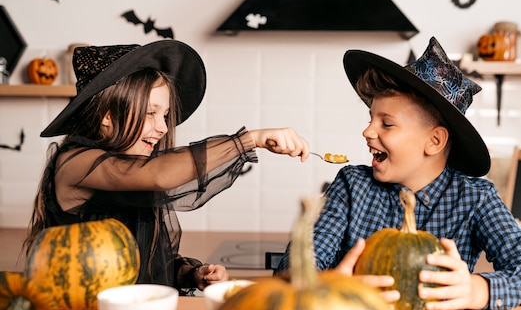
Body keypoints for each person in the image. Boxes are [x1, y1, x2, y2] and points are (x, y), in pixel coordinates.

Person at [277, 37, 521, 310]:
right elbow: (294, 268)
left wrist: (475, 290)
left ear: (434, 141)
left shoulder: (475, 198)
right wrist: (328, 283)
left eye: (386, 124)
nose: (367, 132)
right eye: (370, 119)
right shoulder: (352, 185)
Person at [20, 40, 310, 295]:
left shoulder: (131, 174)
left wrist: (193, 274)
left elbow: (145, 262)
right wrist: (249, 140)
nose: (162, 127)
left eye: (166, 114)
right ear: (107, 116)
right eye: (151, 113)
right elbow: (158, 174)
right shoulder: (75, 162)